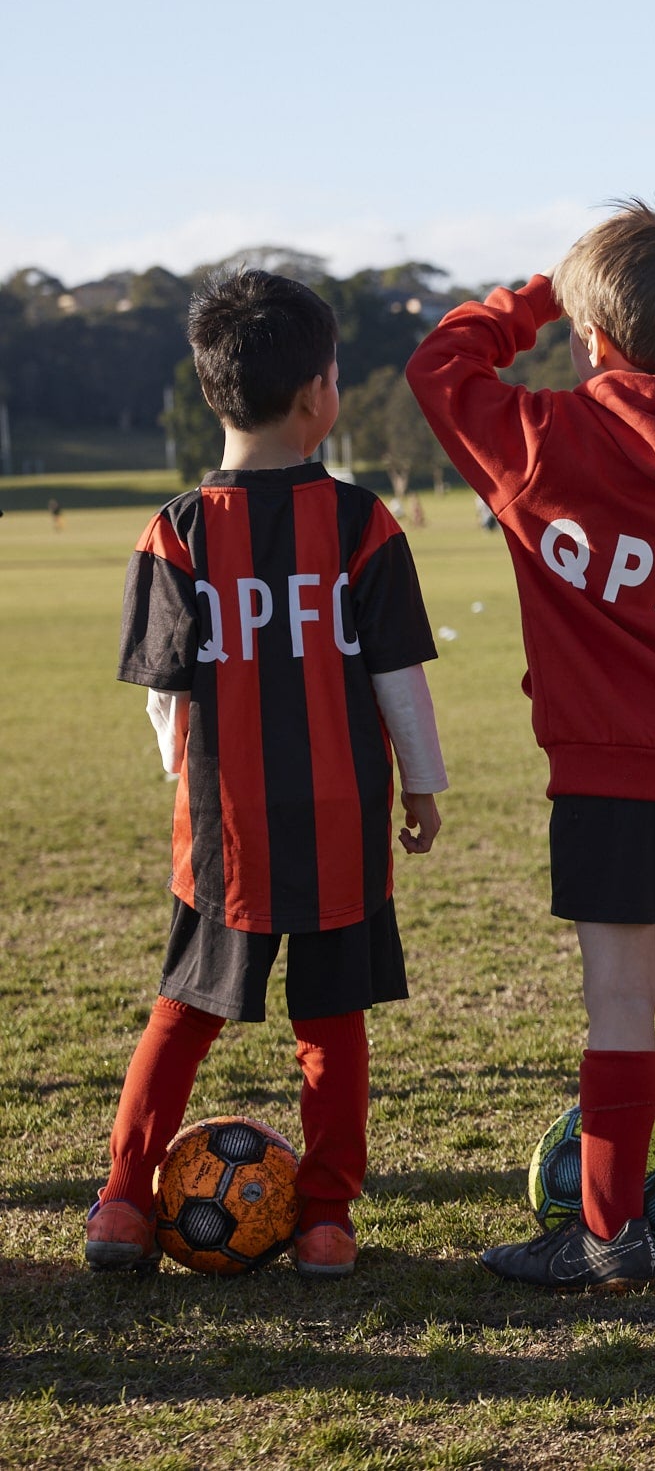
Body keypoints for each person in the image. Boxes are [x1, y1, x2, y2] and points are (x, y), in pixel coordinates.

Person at [408, 202, 655, 1288]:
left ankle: (610, 1230)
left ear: (588, 332)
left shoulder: (539, 442)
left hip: (605, 766)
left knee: (620, 996)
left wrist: (536, 289)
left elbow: (440, 361)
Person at [86, 270, 447, 1279]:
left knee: (184, 1010)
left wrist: (183, 773)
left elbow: (165, 697)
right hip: (340, 820)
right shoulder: (364, 522)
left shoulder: (176, 529)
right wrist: (421, 786)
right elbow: (397, 678)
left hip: (224, 822)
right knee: (331, 1029)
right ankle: (326, 1221)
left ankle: (121, 1203)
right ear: (318, 396)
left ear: (211, 390)